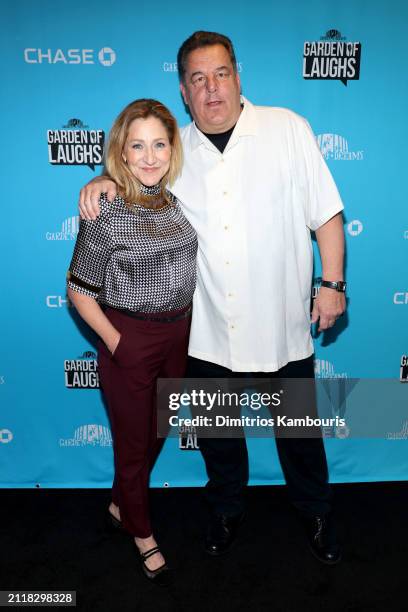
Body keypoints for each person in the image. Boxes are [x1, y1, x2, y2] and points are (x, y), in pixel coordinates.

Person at [79, 31, 346, 565]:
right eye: (198, 79)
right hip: (205, 331)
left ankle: (315, 512)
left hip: (281, 323)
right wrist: (102, 178)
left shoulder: (288, 128)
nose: (212, 88)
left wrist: (333, 284)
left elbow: (327, 214)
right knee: (219, 439)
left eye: (220, 73)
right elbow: (137, 174)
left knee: (299, 435)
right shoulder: (174, 150)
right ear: (183, 90)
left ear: (238, 76)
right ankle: (226, 511)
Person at [68, 98, 197, 585]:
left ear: (172, 148)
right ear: (120, 152)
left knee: (159, 430)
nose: (149, 156)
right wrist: (116, 343)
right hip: (130, 336)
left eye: (159, 144)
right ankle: (141, 532)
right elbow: (78, 289)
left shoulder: (175, 200)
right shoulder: (106, 210)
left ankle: (122, 501)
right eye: (137, 145)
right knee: (132, 442)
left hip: (178, 333)